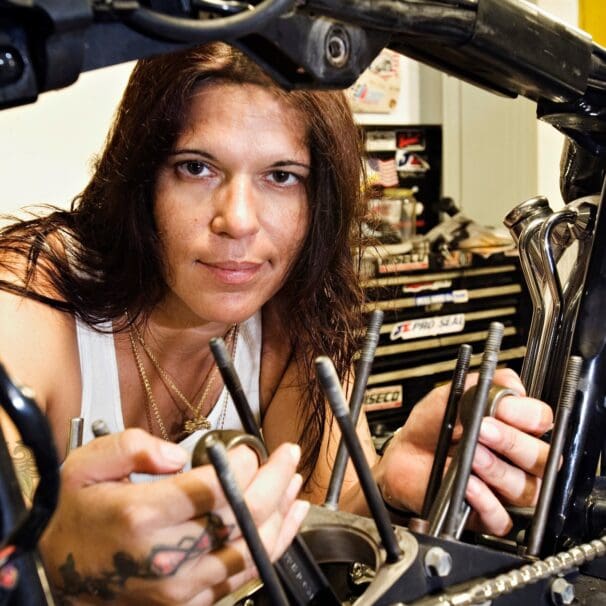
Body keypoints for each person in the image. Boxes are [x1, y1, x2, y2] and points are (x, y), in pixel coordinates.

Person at [0, 42, 552, 605]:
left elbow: (320, 508)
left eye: (281, 176)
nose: (237, 221)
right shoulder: (27, 307)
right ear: (142, 179)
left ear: (319, 202)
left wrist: (386, 484)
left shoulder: (285, 310)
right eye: (196, 167)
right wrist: (53, 555)